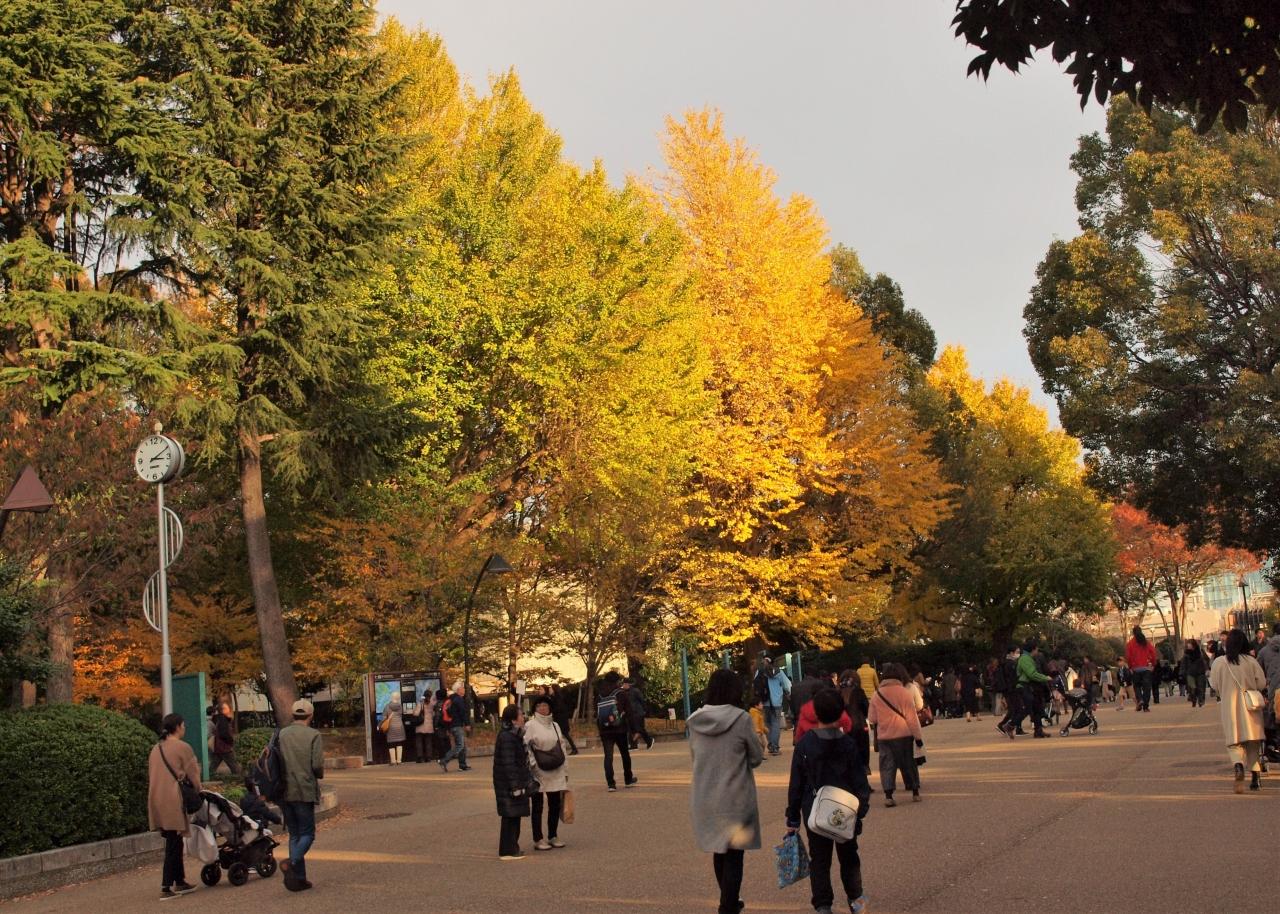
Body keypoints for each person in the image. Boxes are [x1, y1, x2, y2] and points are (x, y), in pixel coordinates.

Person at [786, 688, 872, 914]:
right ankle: (856, 900)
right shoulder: (848, 744)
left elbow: (796, 784)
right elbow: (859, 781)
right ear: (841, 712)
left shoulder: (805, 745)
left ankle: (823, 905)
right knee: (849, 856)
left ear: (815, 712)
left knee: (820, 860)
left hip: (815, 809)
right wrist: (861, 809)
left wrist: (792, 817)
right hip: (845, 809)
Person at [688, 668, 764, 914]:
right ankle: (728, 905)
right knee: (734, 855)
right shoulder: (741, 719)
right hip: (735, 798)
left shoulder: (695, 721)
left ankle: (728, 899)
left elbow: (695, 757)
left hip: (705, 796)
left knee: (719, 851)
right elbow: (756, 757)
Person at [148, 713, 201, 900]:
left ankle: (180, 881)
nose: (184, 728)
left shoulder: (156, 748)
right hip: (173, 799)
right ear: (178, 727)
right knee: (173, 843)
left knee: (174, 840)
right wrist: (198, 791)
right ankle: (166, 886)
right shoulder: (182, 747)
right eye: (183, 725)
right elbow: (193, 773)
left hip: (157, 799)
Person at [1209, 629, 1267, 793]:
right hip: (1251, 706)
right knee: (1253, 742)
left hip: (1230, 706)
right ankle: (1255, 778)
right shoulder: (1251, 661)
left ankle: (1238, 765)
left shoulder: (1219, 662)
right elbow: (1261, 683)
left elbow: (1214, 685)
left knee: (1234, 742)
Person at [279, 698, 325, 892]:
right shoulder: (314, 735)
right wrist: (319, 775)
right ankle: (291, 862)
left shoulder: (282, 734)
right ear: (310, 715)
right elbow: (317, 765)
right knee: (307, 834)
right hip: (304, 789)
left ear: (293, 714)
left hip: (284, 789)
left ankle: (299, 878)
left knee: (295, 834)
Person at [867, 663, 923, 806]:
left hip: (885, 736)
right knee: (908, 763)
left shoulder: (877, 694)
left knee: (887, 765)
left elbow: (872, 718)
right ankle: (915, 791)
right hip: (904, 734)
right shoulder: (905, 692)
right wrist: (918, 737)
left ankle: (889, 795)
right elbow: (912, 718)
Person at [523, 694, 569, 851]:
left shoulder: (555, 725)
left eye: (545, 705)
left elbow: (562, 746)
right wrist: (533, 765)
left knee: (555, 804)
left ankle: (553, 835)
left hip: (556, 768)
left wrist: (566, 769)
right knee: (538, 805)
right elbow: (526, 747)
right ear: (535, 709)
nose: (543, 708)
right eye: (539, 706)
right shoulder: (530, 725)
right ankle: (538, 838)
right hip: (538, 770)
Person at [493, 704, 534, 859]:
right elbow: (508, 763)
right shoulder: (507, 737)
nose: (523, 717)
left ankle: (512, 847)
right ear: (513, 719)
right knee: (510, 816)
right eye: (520, 715)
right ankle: (507, 850)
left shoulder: (514, 735)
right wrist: (515, 785)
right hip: (508, 784)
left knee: (514, 815)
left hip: (513, 782)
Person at [596, 671, 636, 791]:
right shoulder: (621, 693)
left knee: (608, 757)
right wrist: (634, 729)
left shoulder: (600, 695)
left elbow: (597, 714)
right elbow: (629, 712)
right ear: (617, 681)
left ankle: (611, 784)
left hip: (605, 730)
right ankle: (628, 779)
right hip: (620, 729)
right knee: (625, 754)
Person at [1006, 639, 1051, 738]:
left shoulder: (1028, 658)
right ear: (1033, 649)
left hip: (1029, 686)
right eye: (1036, 650)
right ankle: (1010, 725)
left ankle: (1038, 731)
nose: (1037, 652)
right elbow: (1031, 674)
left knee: (1037, 707)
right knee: (1028, 708)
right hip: (1024, 686)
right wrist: (1045, 678)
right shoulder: (1025, 659)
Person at [752, 654, 791, 756]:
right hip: (776, 702)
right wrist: (787, 693)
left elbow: (754, 684)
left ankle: (770, 744)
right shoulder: (779, 672)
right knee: (775, 724)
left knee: (767, 723)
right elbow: (787, 685)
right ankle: (775, 746)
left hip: (764, 702)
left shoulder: (759, 672)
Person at [439, 682, 472, 772]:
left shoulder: (451, 699)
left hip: (451, 725)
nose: (464, 690)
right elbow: (463, 713)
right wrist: (467, 724)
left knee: (462, 746)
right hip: (457, 725)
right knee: (460, 745)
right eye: (462, 688)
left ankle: (462, 765)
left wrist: (447, 727)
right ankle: (444, 760)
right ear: (458, 690)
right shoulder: (458, 699)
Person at [1126, 627, 1157, 712]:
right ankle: (1146, 706)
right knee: (1147, 687)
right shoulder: (1146, 642)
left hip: (1135, 668)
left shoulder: (1130, 644)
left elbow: (1128, 657)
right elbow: (1153, 653)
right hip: (1146, 668)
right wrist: (1153, 664)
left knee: (1137, 686)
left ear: (1133, 633)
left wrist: (1130, 667)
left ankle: (1140, 700)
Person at [209, 700, 240, 775]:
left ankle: (208, 775)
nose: (229, 709)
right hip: (224, 747)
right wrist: (230, 741)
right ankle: (239, 777)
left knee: (214, 764)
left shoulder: (220, 719)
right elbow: (224, 733)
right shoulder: (223, 720)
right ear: (223, 710)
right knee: (234, 766)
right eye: (227, 708)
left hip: (219, 747)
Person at [623, 678, 654, 750]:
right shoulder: (624, 692)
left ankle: (649, 740)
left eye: (624, 684)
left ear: (627, 684)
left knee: (640, 729)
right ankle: (633, 745)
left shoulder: (635, 691)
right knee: (631, 729)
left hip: (638, 713)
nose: (623, 686)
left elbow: (642, 700)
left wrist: (645, 710)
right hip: (630, 714)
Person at [549, 683, 579, 755]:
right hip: (559, 718)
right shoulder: (555, 697)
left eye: (551, 689)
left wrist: (552, 710)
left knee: (564, 734)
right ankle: (569, 749)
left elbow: (559, 708)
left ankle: (574, 748)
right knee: (561, 734)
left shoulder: (558, 698)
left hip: (561, 719)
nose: (549, 690)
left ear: (554, 689)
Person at [1181, 640, 1208, 708]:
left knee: (1201, 688)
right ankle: (1193, 700)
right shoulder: (1186, 654)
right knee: (1192, 688)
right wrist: (1183, 672)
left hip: (1200, 673)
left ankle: (1201, 701)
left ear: (1193, 645)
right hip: (1190, 673)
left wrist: (1207, 669)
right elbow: (1183, 664)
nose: (1188, 645)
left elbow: (1206, 660)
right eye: (1188, 644)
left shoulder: (1200, 652)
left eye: (1189, 644)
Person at [414, 689, 436, 762]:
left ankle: (420, 757)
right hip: (429, 726)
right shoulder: (432, 704)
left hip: (420, 725)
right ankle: (428, 757)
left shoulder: (420, 704)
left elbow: (416, 713)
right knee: (428, 742)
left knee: (419, 742)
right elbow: (434, 714)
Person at [383, 694, 406, 765]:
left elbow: (384, 717)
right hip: (399, 727)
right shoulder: (400, 706)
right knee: (399, 743)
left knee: (391, 744)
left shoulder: (387, 706)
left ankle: (393, 761)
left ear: (391, 697)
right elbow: (402, 715)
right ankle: (399, 761)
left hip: (391, 727)